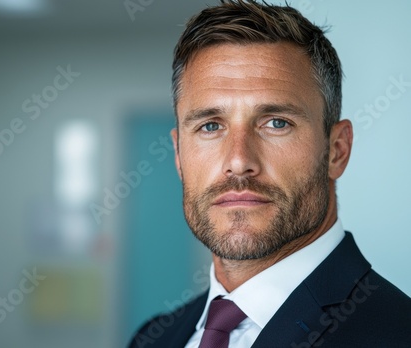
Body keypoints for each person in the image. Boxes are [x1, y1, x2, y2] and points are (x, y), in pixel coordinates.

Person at [128, 1, 411, 347]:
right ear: (178, 154)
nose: (238, 161)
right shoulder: (151, 338)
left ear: (337, 150)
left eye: (276, 123)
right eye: (210, 125)